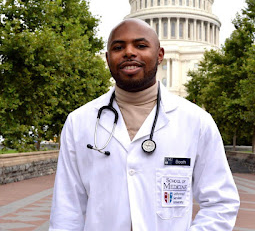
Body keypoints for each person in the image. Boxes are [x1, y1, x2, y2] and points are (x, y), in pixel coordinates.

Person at [49, 19, 239, 231]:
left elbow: (220, 203)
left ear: (160, 55)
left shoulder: (197, 121)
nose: (129, 52)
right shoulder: (79, 122)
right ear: (107, 58)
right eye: (118, 47)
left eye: (140, 45)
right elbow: (67, 208)